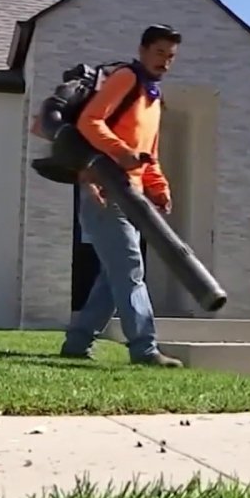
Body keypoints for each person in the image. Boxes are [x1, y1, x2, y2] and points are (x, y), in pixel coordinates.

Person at [59, 24, 184, 367]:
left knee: (112, 277)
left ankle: (77, 342)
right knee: (130, 269)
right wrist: (122, 151)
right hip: (103, 189)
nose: (165, 62)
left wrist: (160, 189)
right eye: (159, 53)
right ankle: (145, 349)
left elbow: (150, 154)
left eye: (171, 56)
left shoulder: (153, 98)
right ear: (143, 50)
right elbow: (90, 121)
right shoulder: (126, 78)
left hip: (132, 195)